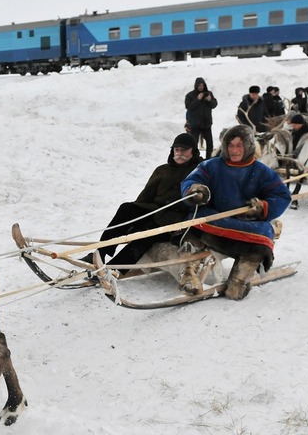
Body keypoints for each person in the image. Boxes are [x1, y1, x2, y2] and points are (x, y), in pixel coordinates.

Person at [180, 125, 292, 300]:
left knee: (262, 237)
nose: (234, 150)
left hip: (246, 224)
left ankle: (239, 281)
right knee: (195, 221)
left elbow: (282, 196)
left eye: (239, 146)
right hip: (216, 218)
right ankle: (188, 272)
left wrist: (263, 207)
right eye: (231, 145)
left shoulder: (261, 171)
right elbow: (192, 180)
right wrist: (195, 190)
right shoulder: (211, 166)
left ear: (248, 146)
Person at [88, 132, 203, 267]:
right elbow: (144, 198)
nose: (179, 153)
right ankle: (100, 253)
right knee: (126, 209)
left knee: (147, 232)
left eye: (184, 150)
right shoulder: (163, 170)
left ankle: (114, 268)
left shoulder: (199, 170)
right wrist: (133, 219)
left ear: (193, 151)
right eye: (176, 149)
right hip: (155, 211)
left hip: (175, 220)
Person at [184, 78, 218, 159]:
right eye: (199, 85)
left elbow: (214, 105)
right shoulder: (190, 95)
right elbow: (189, 107)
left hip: (206, 124)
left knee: (210, 144)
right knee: (194, 144)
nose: (201, 87)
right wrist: (198, 99)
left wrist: (210, 100)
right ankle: (194, 159)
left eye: (202, 85)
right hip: (195, 125)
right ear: (196, 85)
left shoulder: (208, 93)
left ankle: (208, 160)